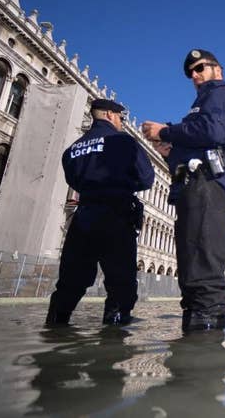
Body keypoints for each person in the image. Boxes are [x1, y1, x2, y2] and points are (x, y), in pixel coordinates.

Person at [141, 48, 225, 333]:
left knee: (203, 267)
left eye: (200, 68)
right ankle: (192, 341)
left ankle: (205, 350)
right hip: (191, 187)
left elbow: (212, 132)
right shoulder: (199, 106)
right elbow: (197, 141)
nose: (195, 76)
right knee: (190, 271)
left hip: (207, 186)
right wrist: (168, 151)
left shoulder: (220, 95)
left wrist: (165, 131)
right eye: (191, 73)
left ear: (218, 69)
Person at [46, 98, 155, 326]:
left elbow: (72, 180)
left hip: (83, 217)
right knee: (120, 281)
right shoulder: (124, 142)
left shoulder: (72, 149)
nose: (122, 123)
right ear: (109, 115)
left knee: (71, 280)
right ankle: (113, 335)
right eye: (120, 118)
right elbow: (146, 179)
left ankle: (56, 325)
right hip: (116, 214)